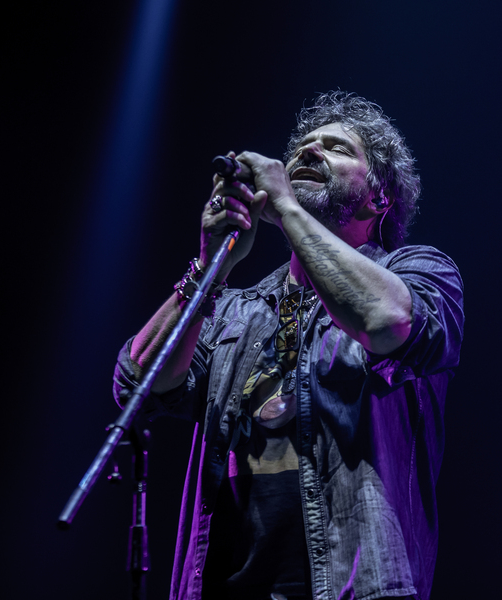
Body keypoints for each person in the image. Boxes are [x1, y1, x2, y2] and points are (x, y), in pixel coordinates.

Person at [113, 92, 464, 600]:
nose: (309, 151)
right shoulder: (234, 309)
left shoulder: (419, 272)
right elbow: (138, 383)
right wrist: (210, 267)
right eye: (303, 146)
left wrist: (285, 207)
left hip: (356, 587)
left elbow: (387, 324)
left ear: (379, 197)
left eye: (337, 147)